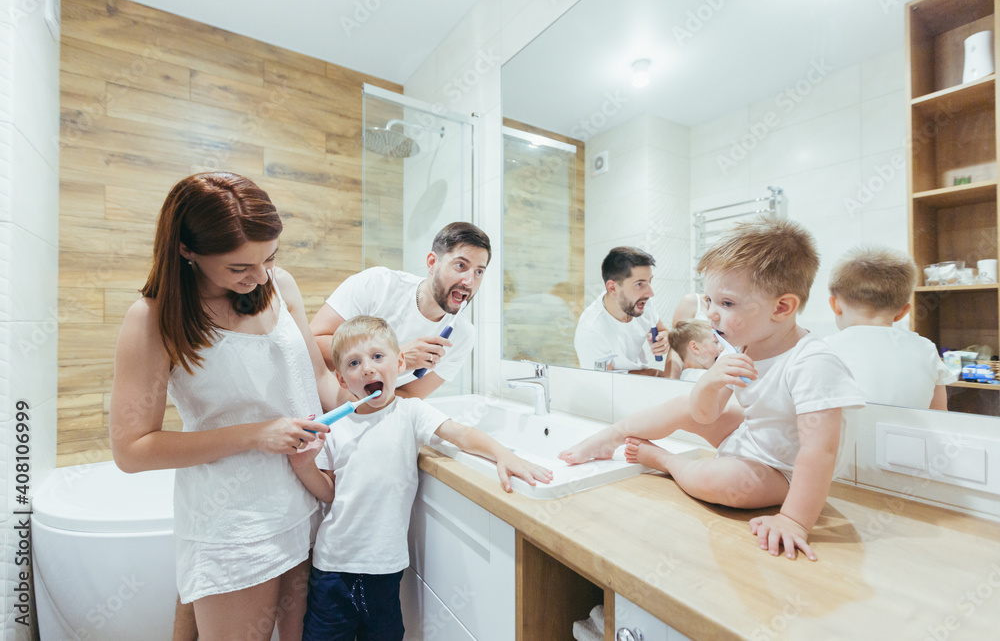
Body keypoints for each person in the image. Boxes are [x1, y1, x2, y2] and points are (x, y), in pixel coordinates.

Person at [109, 172, 338, 640]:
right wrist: (255, 434)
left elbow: (317, 380)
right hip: (236, 523)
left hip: (307, 496)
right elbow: (131, 450)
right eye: (240, 268)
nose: (261, 276)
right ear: (187, 250)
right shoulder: (153, 319)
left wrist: (379, 400)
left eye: (269, 257)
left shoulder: (280, 285)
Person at [559, 216, 864, 560]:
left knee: (726, 484)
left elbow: (819, 451)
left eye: (727, 304)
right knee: (682, 403)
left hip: (782, 472)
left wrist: (794, 519)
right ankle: (612, 436)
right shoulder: (743, 348)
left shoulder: (811, 362)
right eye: (709, 301)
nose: (712, 315)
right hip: (752, 440)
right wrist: (710, 380)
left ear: (782, 308)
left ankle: (666, 461)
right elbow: (704, 414)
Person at [291, 316, 552, 640]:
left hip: (384, 569)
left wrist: (503, 454)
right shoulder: (337, 427)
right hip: (332, 568)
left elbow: (461, 434)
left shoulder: (410, 412)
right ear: (342, 379)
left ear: (399, 363)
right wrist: (304, 466)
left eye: (377, 356)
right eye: (354, 363)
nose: (368, 369)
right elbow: (330, 492)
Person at [310, 222, 491, 399]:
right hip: (321, 398)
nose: (469, 282)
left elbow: (409, 395)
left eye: (479, 272)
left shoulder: (462, 336)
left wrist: (365, 409)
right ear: (432, 262)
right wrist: (394, 358)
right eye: (460, 265)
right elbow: (311, 344)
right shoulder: (378, 284)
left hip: (368, 410)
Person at [824, 246, 955, 410]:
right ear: (903, 312)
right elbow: (940, 415)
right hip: (909, 429)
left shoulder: (823, 349)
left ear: (835, 305)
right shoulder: (926, 349)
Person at [573, 246, 672, 375]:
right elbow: (605, 383)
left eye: (649, 282)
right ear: (612, 288)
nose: (650, 293)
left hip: (641, 378)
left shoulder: (642, 302)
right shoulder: (591, 330)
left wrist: (664, 339)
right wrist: (652, 374)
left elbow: (662, 330)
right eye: (639, 284)